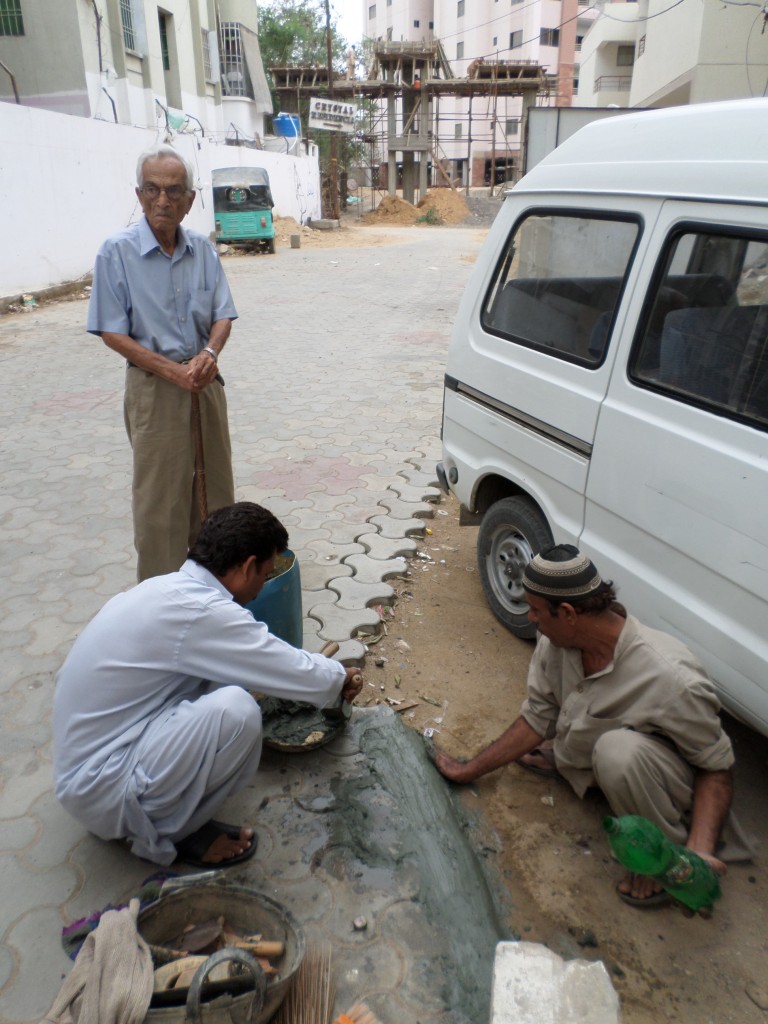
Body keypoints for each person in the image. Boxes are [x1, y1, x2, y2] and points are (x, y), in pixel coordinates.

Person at [434, 544, 749, 907]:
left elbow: (716, 768)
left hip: (663, 779)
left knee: (617, 753)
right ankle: (572, 761)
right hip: (605, 759)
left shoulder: (672, 678)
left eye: (536, 610)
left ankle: (664, 858)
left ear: (568, 613)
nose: (531, 617)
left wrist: (697, 854)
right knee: (596, 742)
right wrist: (469, 769)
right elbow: (538, 716)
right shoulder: (557, 640)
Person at [53, 502, 363, 868]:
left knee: (226, 680)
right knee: (238, 713)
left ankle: (159, 806)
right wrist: (338, 677)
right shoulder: (200, 610)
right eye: (264, 574)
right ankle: (168, 831)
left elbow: (253, 660)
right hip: (102, 788)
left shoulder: (167, 588)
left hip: (88, 769)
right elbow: (278, 662)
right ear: (247, 566)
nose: (262, 586)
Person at [87, 143, 237, 582]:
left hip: (205, 382)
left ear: (190, 200)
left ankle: (215, 595)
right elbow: (111, 331)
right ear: (139, 195)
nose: (162, 200)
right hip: (155, 389)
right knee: (161, 506)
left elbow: (223, 314)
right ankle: (162, 603)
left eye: (174, 191)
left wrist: (209, 353)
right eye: (152, 189)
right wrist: (173, 371)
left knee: (215, 495)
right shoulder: (116, 252)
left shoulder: (203, 250)